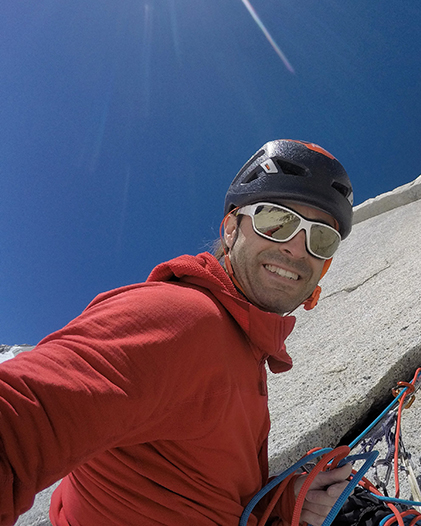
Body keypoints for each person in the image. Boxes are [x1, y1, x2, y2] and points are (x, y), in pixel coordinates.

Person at [0, 139, 357, 526]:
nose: (296, 249)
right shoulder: (182, 317)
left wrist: (289, 500)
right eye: (276, 220)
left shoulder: (240, 345)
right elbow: (16, 423)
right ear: (232, 229)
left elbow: (203, 491)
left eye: (321, 238)